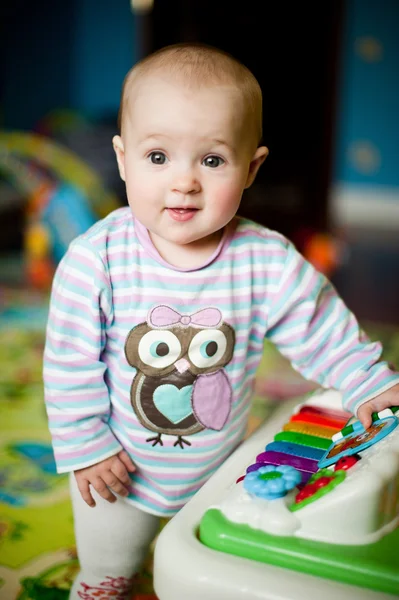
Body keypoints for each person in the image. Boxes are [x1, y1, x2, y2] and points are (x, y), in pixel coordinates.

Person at [43, 42, 399, 599]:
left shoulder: (266, 260)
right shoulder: (97, 259)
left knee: (207, 576)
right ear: (122, 158)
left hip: (217, 471)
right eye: (158, 157)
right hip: (116, 475)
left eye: (211, 160)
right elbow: (69, 362)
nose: (184, 182)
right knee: (109, 575)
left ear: (251, 167)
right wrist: (87, 445)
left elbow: (320, 328)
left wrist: (369, 382)